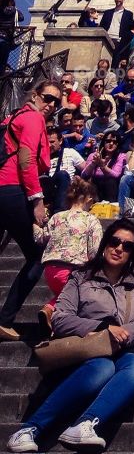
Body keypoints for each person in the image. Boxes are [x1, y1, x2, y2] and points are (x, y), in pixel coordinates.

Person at [6, 220, 134, 453]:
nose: (119, 249)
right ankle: (30, 429)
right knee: (102, 367)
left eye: (127, 246)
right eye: (114, 241)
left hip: (120, 350)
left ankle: (85, 424)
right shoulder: (80, 278)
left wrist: (123, 335)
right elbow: (61, 317)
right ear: (104, 244)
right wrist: (103, 328)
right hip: (86, 350)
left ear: (133, 253)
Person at [0, 78, 60, 341]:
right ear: (35, 95)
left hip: (2, 188)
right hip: (14, 190)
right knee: (39, 257)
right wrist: (37, 200)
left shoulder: (13, 117)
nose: (51, 105)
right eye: (47, 97)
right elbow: (26, 160)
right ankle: (4, 319)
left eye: (56, 102)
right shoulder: (33, 119)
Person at [37, 176, 102, 331]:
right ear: (89, 199)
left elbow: (42, 238)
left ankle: (50, 314)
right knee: (82, 297)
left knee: (66, 296)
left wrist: (35, 226)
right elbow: (94, 251)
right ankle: (53, 315)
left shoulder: (57, 217)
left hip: (50, 269)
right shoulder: (91, 220)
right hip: (72, 270)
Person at [80, 132, 125, 202]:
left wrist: (102, 166)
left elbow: (116, 175)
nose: (111, 144)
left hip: (110, 187)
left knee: (111, 181)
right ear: (103, 142)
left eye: (115, 142)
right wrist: (93, 163)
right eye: (108, 141)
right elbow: (84, 174)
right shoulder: (93, 155)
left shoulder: (121, 156)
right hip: (94, 185)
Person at [100, 0, 134, 70]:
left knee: (115, 63)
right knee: (103, 62)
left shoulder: (129, 14)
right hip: (107, 39)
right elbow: (101, 26)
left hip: (120, 41)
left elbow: (129, 29)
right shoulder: (107, 12)